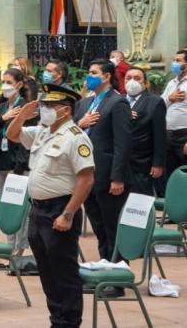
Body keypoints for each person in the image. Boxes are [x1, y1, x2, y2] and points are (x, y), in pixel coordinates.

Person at [6, 84, 95, 328]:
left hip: (60, 210)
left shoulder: (76, 137)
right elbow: (13, 136)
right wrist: (22, 115)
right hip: (38, 210)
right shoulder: (44, 131)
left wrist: (68, 214)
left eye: (49, 106)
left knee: (63, 272)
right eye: (43, 105)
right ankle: (56, 320)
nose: (43, 109)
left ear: (65, 110)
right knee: (46, 271)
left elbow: (86, 179)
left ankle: (69, 322)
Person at [74, 59, 131, 272]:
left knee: (112, 227)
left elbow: (122, 144)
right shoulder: (85, 103)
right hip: (86, 173)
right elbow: (72, 131)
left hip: (107, 175)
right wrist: (80, 124)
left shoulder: (118, 103)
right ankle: (104, 268)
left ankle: (118, 275)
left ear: (106, 76)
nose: (89, 76)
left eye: (93, 72)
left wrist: (118, 177)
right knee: (99, 227)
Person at [0, 68, 33, 261]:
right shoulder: (3, 106)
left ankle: (19, 248)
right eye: (3, 82)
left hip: (18, 164)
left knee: (19, 206)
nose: (5, 86)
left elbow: (27, 139)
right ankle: (9, 245)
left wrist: (19, 167)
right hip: (1, 160)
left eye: (8, 82)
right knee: (5, 205)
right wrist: (3, 118)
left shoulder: (26, 106)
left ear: (19, 85)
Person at [124, 67, 165, 195]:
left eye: (137, 78)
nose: (132, 81)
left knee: (139, 202)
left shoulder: (154, 102)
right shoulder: (118, 100)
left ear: (146, 83)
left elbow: (160, 135)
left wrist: (158, 163)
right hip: (120, 163)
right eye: (128, 78)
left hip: (142, 163)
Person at [160, 50, 187, 194]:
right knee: (171, 174)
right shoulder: (172, 82)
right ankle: (174, 212)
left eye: (179, 60)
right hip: (168, 135)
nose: (175, 63)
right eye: (174, 60)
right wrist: (170, 98)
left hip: (184, 135)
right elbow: (160, 105)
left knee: (185, 173)